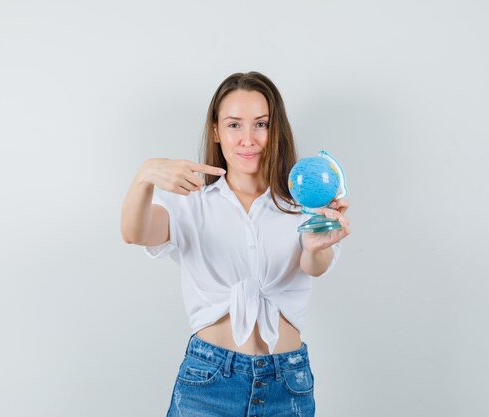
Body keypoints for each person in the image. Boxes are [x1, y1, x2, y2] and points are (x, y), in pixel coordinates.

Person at [120, 71, 351, 417]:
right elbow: (135, 232)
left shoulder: (303, 204)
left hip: (287, 385)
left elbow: (313, 266)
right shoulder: (191, 203)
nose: (249, 139)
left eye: (261, 124)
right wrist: (145, 176)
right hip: (209, 383)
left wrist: (318, 245)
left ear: (276, 131)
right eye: (234, 125)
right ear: (216, 130)